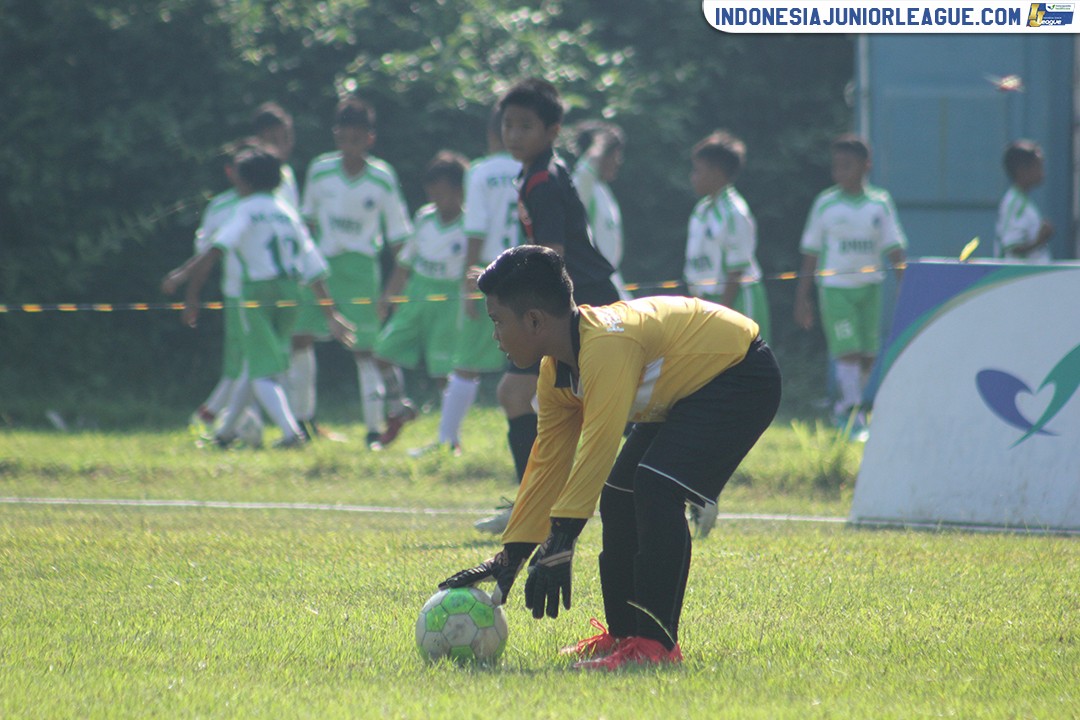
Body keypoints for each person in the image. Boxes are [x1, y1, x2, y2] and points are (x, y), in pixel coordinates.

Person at [440, 245, 781, 670]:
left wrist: (562, 538)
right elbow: (547, 466)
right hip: (689, 390)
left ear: (533, 320)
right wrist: (512, 555)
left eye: (497, 321)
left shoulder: (605, 347)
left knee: (655, 488)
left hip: (741, 375)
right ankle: (625, 637)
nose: (495, 335)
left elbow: (597, 448)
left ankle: (656, 646)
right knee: (620, 494)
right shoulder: (554, 372)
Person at [473, 78, 621, 534]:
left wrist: (507, 279)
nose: (513, 134)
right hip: (577, 295)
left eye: (526, 126)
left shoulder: (544, 180)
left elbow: (552, 255)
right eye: (508, 125)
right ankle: (531, 501)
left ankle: (530, 504)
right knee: (538, 397)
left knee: (522, 395)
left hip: (581, 298)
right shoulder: (535, 174)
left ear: (553, 130)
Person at [163, 146, 354, 447]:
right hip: (291, 292)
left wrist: (183, 277)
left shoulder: (247, 209)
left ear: (245, 181)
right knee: (256, 364)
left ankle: (292, 434)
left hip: (257, 292)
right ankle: (225, 434)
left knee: (264, 372)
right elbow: (313, 265)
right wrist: (331, 314)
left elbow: (217, 248)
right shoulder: (287, 212)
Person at [292, 95, 413, 449]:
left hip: (361, 270)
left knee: (366, 350)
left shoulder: (382, 177)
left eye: (357, 138)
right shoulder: (320, 169)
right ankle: (303, 421)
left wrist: (398, 286)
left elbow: (398, 236)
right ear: (335, 136)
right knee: (301, 338)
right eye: (344, 138)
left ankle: (374, 429)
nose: (350, 146)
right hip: (321, 268)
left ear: (369, 139)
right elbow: (306, 224)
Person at [410, 109, 521, 457]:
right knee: (539, 362)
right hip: (532, 265)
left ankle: (447, 441)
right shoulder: (533, 167)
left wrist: (469, 282)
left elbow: (476, 228)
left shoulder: (481, 172)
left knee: (465, 362)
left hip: (495, 267)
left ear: (492, 135)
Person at [794, 134, 906, 434]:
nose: (839, 171)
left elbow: (894, 248)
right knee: (849, 351)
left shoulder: (879, 203)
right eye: (836, 166)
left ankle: (846, 406)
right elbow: (811, 251)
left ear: (866, 165)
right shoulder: (826, 203)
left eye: (847, 165)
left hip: (870, 288)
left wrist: (904, 285)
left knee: (869, 354)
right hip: (836, 289)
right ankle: (853, 415)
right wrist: (802, 297)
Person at [163, 140, 263, 446]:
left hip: (269, 294)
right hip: (236, 295)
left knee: (255, 364)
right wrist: (192, 296)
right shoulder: (220, 207)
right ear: (230, 171)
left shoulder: (269, 203)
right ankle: (221, 423)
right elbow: (207, 255)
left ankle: (223, 422)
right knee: (243, 365)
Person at [372, 151, 471, 446]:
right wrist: (388, 296)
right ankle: (398, 408)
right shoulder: (424, 218)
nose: (437, 200)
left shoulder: (469, 227)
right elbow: (405, 263)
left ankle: (450, 438)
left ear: (459, 191)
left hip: (448, 301)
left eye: (442, 193)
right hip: (416, 296)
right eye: (432, 193)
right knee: (382, 354)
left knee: (444, 375)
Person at [683, 130, 771, 342]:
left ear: (716, 172)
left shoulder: (734, 212)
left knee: (746, 367)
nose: (692, 176)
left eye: (697, 170)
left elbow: (736, 272)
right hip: (708, 302)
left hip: (737, 300)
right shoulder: (700, 210)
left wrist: (722, 312)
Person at [571, 121, 632, 301]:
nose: (618, 161)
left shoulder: (602, 189)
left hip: (611, 282)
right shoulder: (582, 184)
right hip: (593, 289)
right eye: (614, 154)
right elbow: (584, 171)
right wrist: (601, 142)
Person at [995, 139, 1053, 263]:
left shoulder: (1023, 201)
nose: (1042, 172)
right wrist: (1040, 240)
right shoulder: (1015, 203)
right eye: (1038, 166)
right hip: (1018, 278)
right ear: (1022, 170)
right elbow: (1012, 247)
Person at [251, 102, 300, 210]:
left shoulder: (287, 173)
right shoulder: (250, 179)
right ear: (259, 140)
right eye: (274, 140)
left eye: (286, 138)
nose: (283, 147)